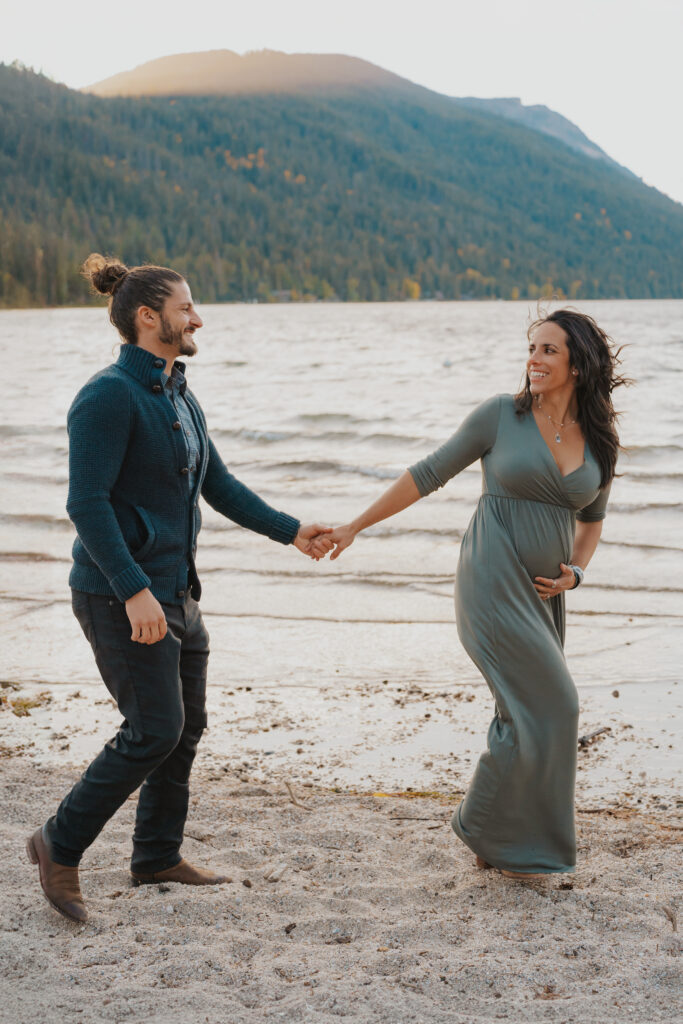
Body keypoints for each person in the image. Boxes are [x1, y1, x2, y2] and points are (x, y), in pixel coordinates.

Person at [27, 255, 333, 923]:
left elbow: (216, 485)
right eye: (186, 307)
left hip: (177, 593)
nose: (197, 318)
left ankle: (157, 855)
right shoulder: (108, 396)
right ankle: (58, 844)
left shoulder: (177, 394)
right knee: (152, 730)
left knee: (185, 727)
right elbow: (86, 504)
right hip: (120, 595)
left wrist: (292, 531)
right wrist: (134, 590)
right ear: (148, 317)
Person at [327, 309, 627, 877]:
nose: (533, 359)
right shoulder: (501, 415)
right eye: (532, 348)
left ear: (579, 365)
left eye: (548, 350)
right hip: (491, 578)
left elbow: (592, 521)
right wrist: (355, 525)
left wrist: (577, 573)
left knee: (524, 711)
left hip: (544, 596)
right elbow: (427, 473)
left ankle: (496, 836)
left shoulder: (601, 440)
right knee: (557, 705)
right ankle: (488, 828)